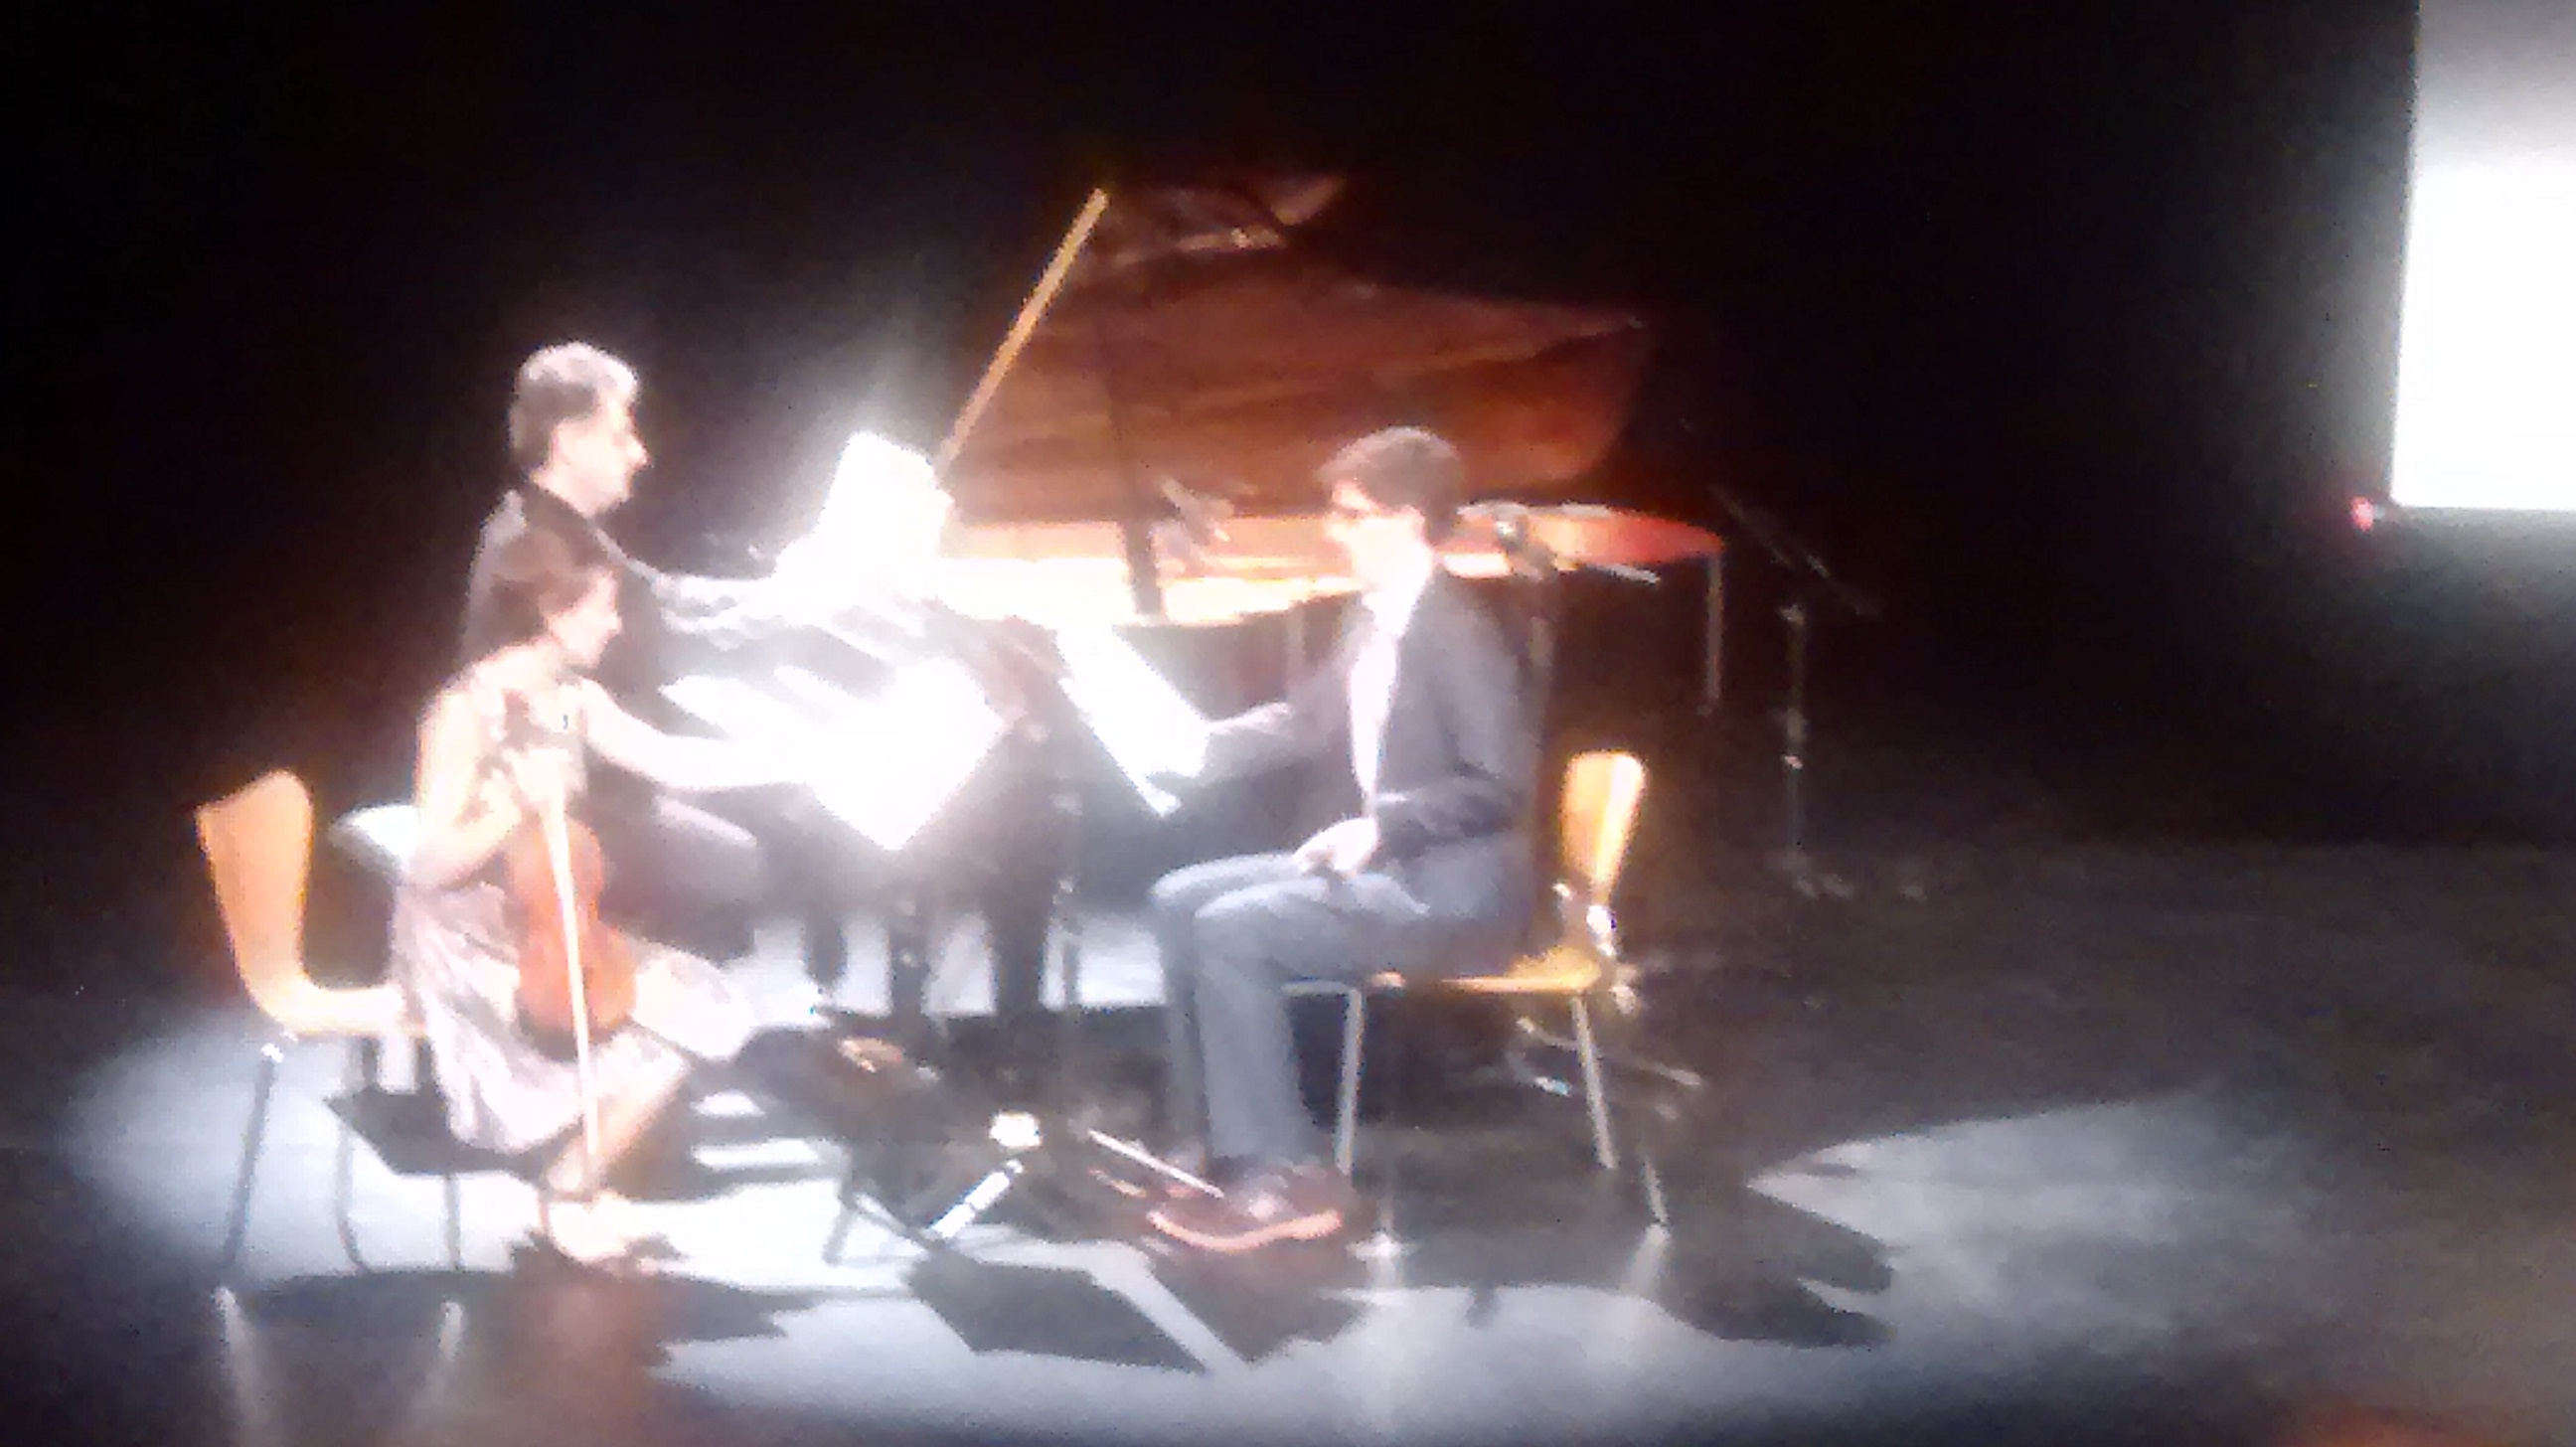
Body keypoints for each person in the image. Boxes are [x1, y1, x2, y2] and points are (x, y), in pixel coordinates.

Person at [1145, 426, 1540, 1253]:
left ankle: (1284, 1177)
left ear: (1407, 520)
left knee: (1235, 929)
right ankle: (1214, 1142)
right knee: (1178, 899)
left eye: (1351, 515)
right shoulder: (1373, 617)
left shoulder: (1459, 633)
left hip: (1450, 895)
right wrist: (1193, 747)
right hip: (1396, 866)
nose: (1334, 531)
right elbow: (1306, 719)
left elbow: (1501, 785)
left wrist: (1385, 825)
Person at [393, 522, 786, 1266]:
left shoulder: (572, 698)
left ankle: (573, 1180)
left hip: (545, 923)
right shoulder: (463, 712)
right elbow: (428, 864)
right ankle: (569, 1198)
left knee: (703, 1006)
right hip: (464, 939)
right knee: (647, 1026)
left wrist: (792, 759)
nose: (615, 625)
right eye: (603, 609)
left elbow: (671, 760)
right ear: (552, 611)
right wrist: (512, 802)